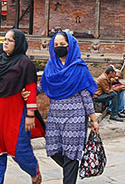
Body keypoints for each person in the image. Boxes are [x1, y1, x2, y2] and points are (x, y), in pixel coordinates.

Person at [0, 29, 44, 184]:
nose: (5, 42)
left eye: (10, 40)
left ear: (18, 43)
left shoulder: (26, 64)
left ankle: (33, 170)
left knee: (20, 150)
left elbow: (31, 89)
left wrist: (30, 115)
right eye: (4, 39)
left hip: (15, 113)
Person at [38, 31, 99, 184]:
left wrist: (93, 120)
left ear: (70, 46)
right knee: (53, 149)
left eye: (62, 44)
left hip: (75, 116)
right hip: (55, 115)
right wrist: (25, 90)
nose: (59, 47)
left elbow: (86, 96)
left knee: (71, 153)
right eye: (56, 45)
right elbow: (42, 86)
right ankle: (72, 168)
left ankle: (70, 175)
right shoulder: (51, 65)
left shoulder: (79, 68)